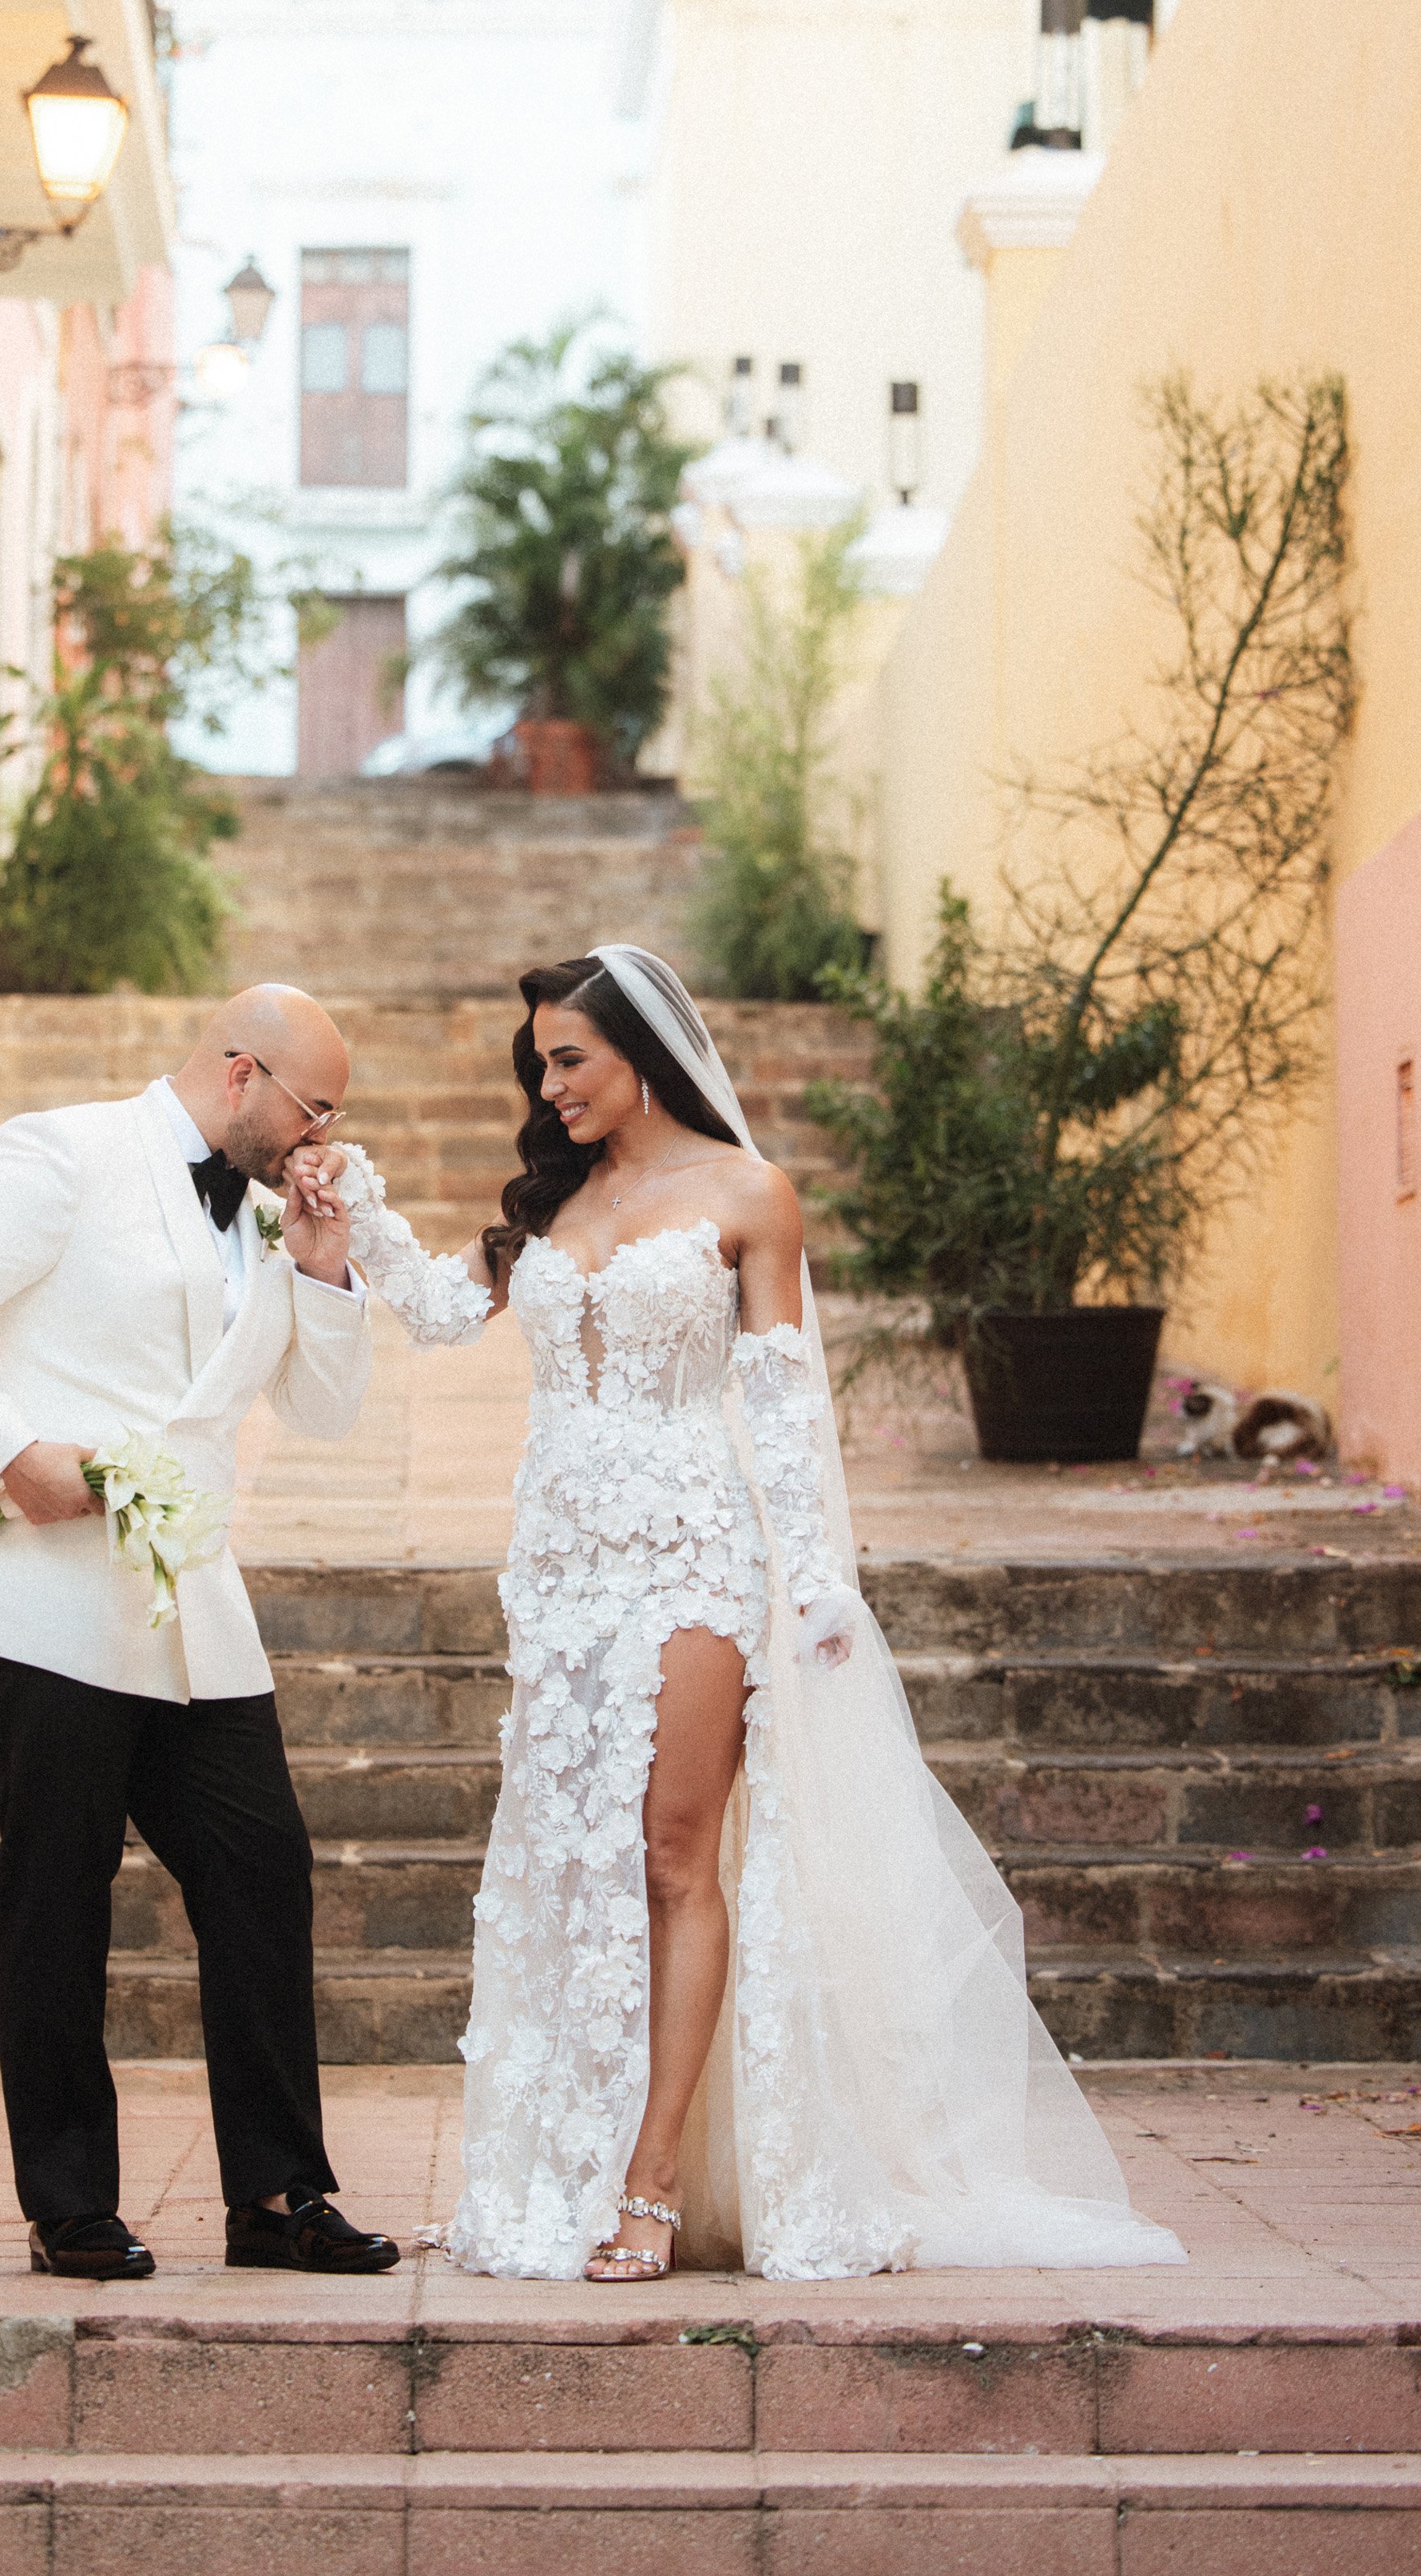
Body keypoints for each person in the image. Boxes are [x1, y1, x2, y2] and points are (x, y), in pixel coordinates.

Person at [296, 947, 1185, 2283]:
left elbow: (777, 1401)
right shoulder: (555, 1201)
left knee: (671, 1855)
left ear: (642, 1052)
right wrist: (344, 1213)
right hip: (558, 1569)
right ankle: (556, 2174)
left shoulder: (747, 1193)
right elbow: (432, 1313)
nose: (550, 1085)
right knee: (563, 1862)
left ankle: (651, 2184)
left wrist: (816, 1578)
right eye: (539, 1064)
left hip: (694, 1551)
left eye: (569, 1059)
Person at [0, 986, 401, 2282]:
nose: (319, 1134)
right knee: (58, 1885)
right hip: (30, 1583)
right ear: (240, 1073)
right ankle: (70, 2202)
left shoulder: (273, 1214)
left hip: (183, 1595)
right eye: (311, 1106)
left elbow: (323, 1409)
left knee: (260, 1863)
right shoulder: (64, 1149)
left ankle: (276, 2199)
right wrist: (6, 1454)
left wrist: (324, 1266)